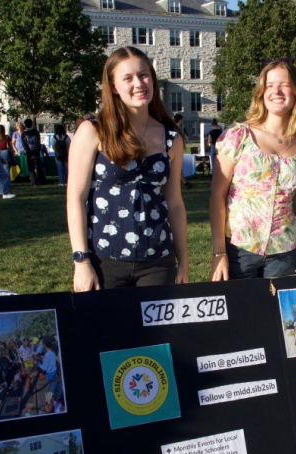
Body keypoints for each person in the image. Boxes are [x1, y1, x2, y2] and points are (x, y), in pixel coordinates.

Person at [66, 46, 189, 290]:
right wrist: (81, 261)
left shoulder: (171, 138)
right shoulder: (93, 131)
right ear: (114, 87)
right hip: (104, 260)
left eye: (144, 75)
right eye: (128, 78)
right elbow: (75, 198)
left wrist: (183, 261)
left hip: (158, 260)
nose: (139, 84)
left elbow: (174, 203)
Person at [209, 59, 296, 280]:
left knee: (277, 304)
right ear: (261, 92)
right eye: (269, 85)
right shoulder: (239, 135)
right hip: (239, 251)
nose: (276, 91)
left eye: (284, 85)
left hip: (283, 254)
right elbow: (217, 195)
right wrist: (219, 251)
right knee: (240, 304)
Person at [173, 113, 191, 189]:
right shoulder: (175, 128)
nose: (182, 121)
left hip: (178, 149)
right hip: (176, 150)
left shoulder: (177, 128)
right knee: (177, 166)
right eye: (182, 120)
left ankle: (184, 182)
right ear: (179, 120)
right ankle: (184, 182)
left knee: (178, 166)